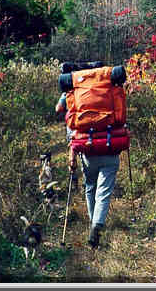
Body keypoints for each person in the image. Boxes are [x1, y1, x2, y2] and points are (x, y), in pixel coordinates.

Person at [55, 92, 120, 249]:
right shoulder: (108, 88)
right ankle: (97, 225)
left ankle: (93, 222)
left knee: (90, 187)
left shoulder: (73, 89)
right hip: (110, 148)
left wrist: (72, 158)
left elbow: (59, 109)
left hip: (88, 150)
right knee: (103, 191)